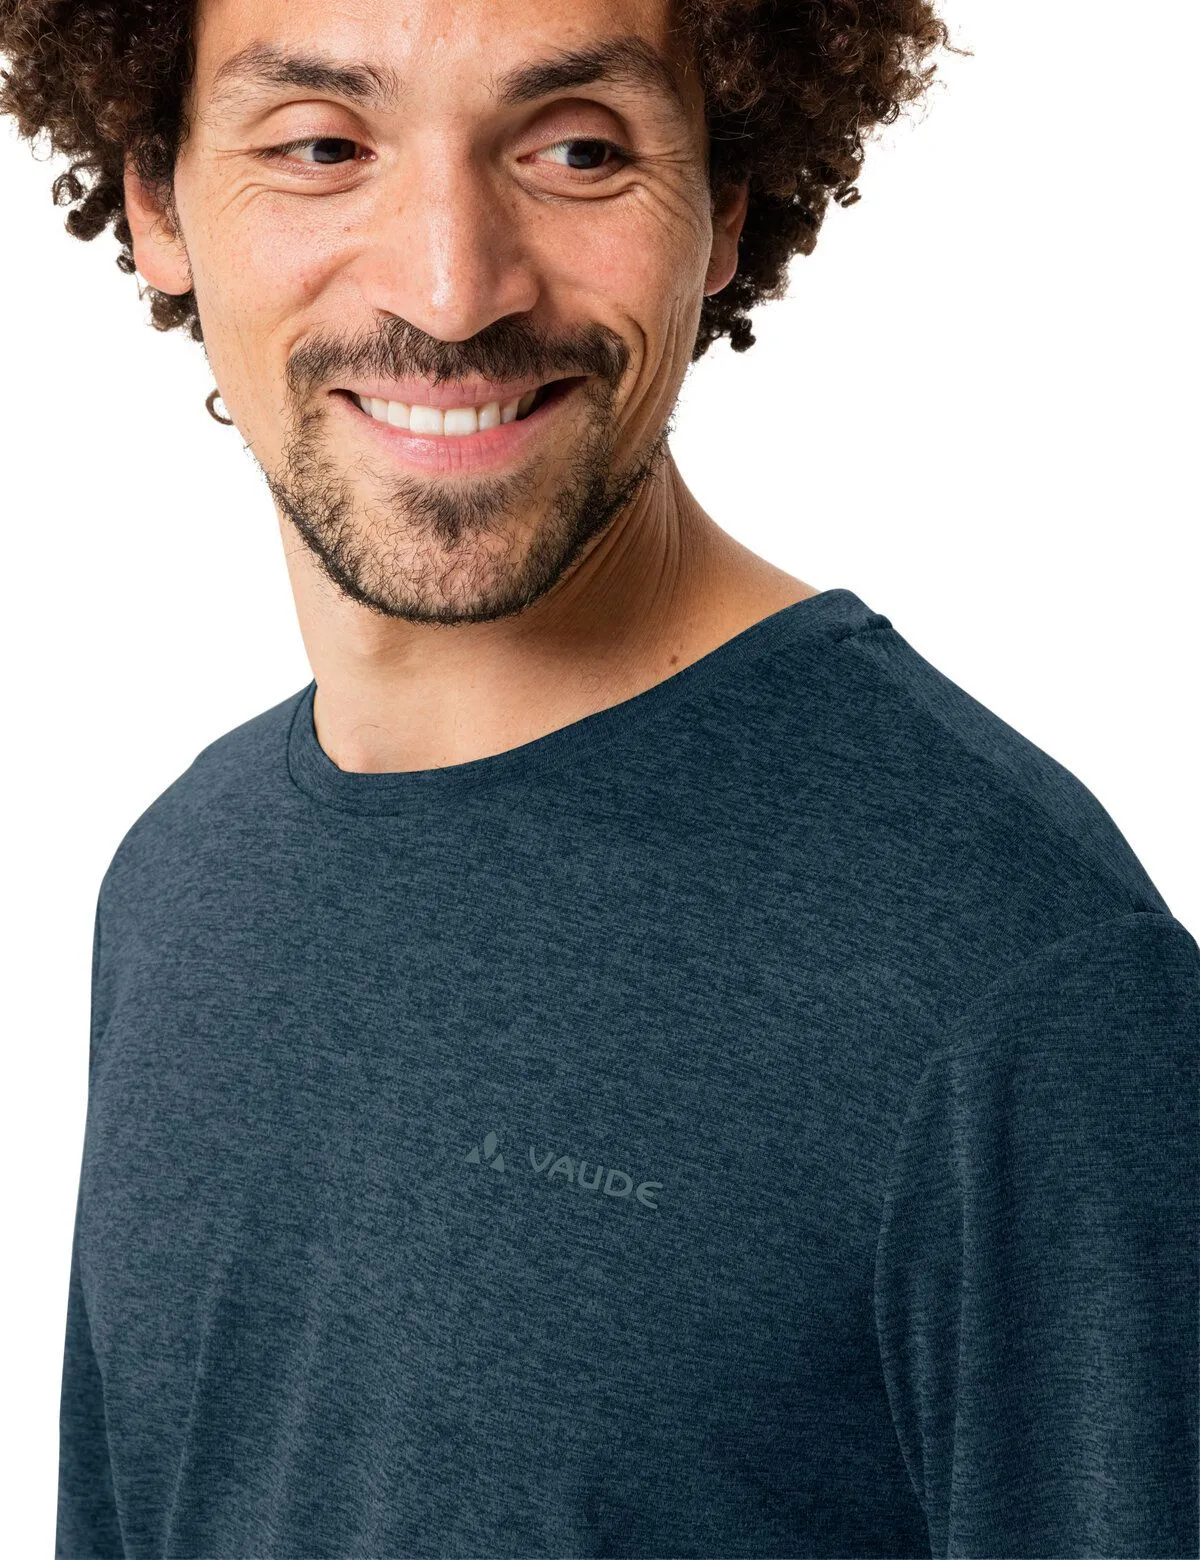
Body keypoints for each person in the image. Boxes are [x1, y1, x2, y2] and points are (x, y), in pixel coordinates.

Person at [2, 0, 1195, 1554]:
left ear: (727, 203)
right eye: (323, 146)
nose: (451, 285)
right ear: (159, 201)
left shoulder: (1016, 981)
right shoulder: (181, 883)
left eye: (576, 150)